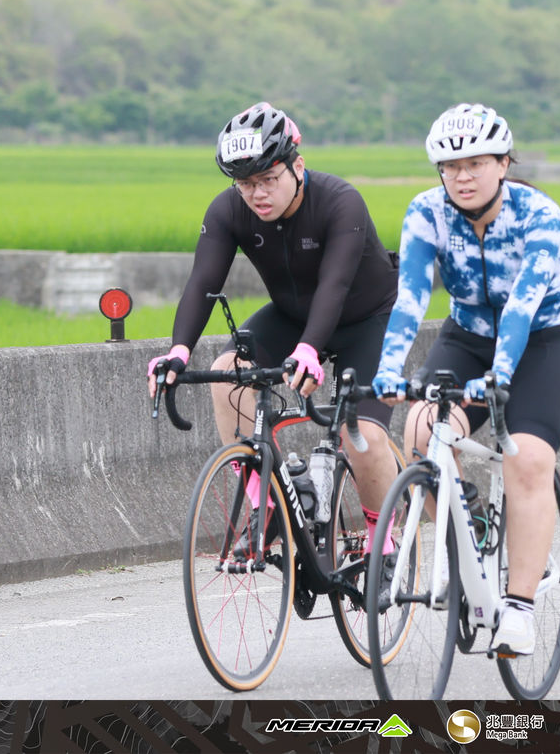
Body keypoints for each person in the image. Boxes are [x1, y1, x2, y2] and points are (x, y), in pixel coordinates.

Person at [371, 103, 560, 656]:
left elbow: (523, 304)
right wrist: (388, 368)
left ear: (504, 163)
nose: (461, 177)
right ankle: (467, 532)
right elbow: (411, 296)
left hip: (542, 342)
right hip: (467, 337)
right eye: (450, 167)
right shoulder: (426, 212)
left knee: (527, 459)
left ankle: (519, 608)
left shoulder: (540, 213)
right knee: (421, 430)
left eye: (475, 164)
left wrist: (499, 375)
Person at [147, 101, 400, 546]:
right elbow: (203, 282)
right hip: (292, 316)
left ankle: (384, 541)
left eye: (268, 179)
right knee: (227, 375)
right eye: (245, 183)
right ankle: (268, 505)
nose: (257, 194)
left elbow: (336, 285)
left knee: (360, 433)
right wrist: (178, 351)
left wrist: (309, 349)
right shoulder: (228, 210)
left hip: (368, 319)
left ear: (297, 167)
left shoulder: (341, 202)